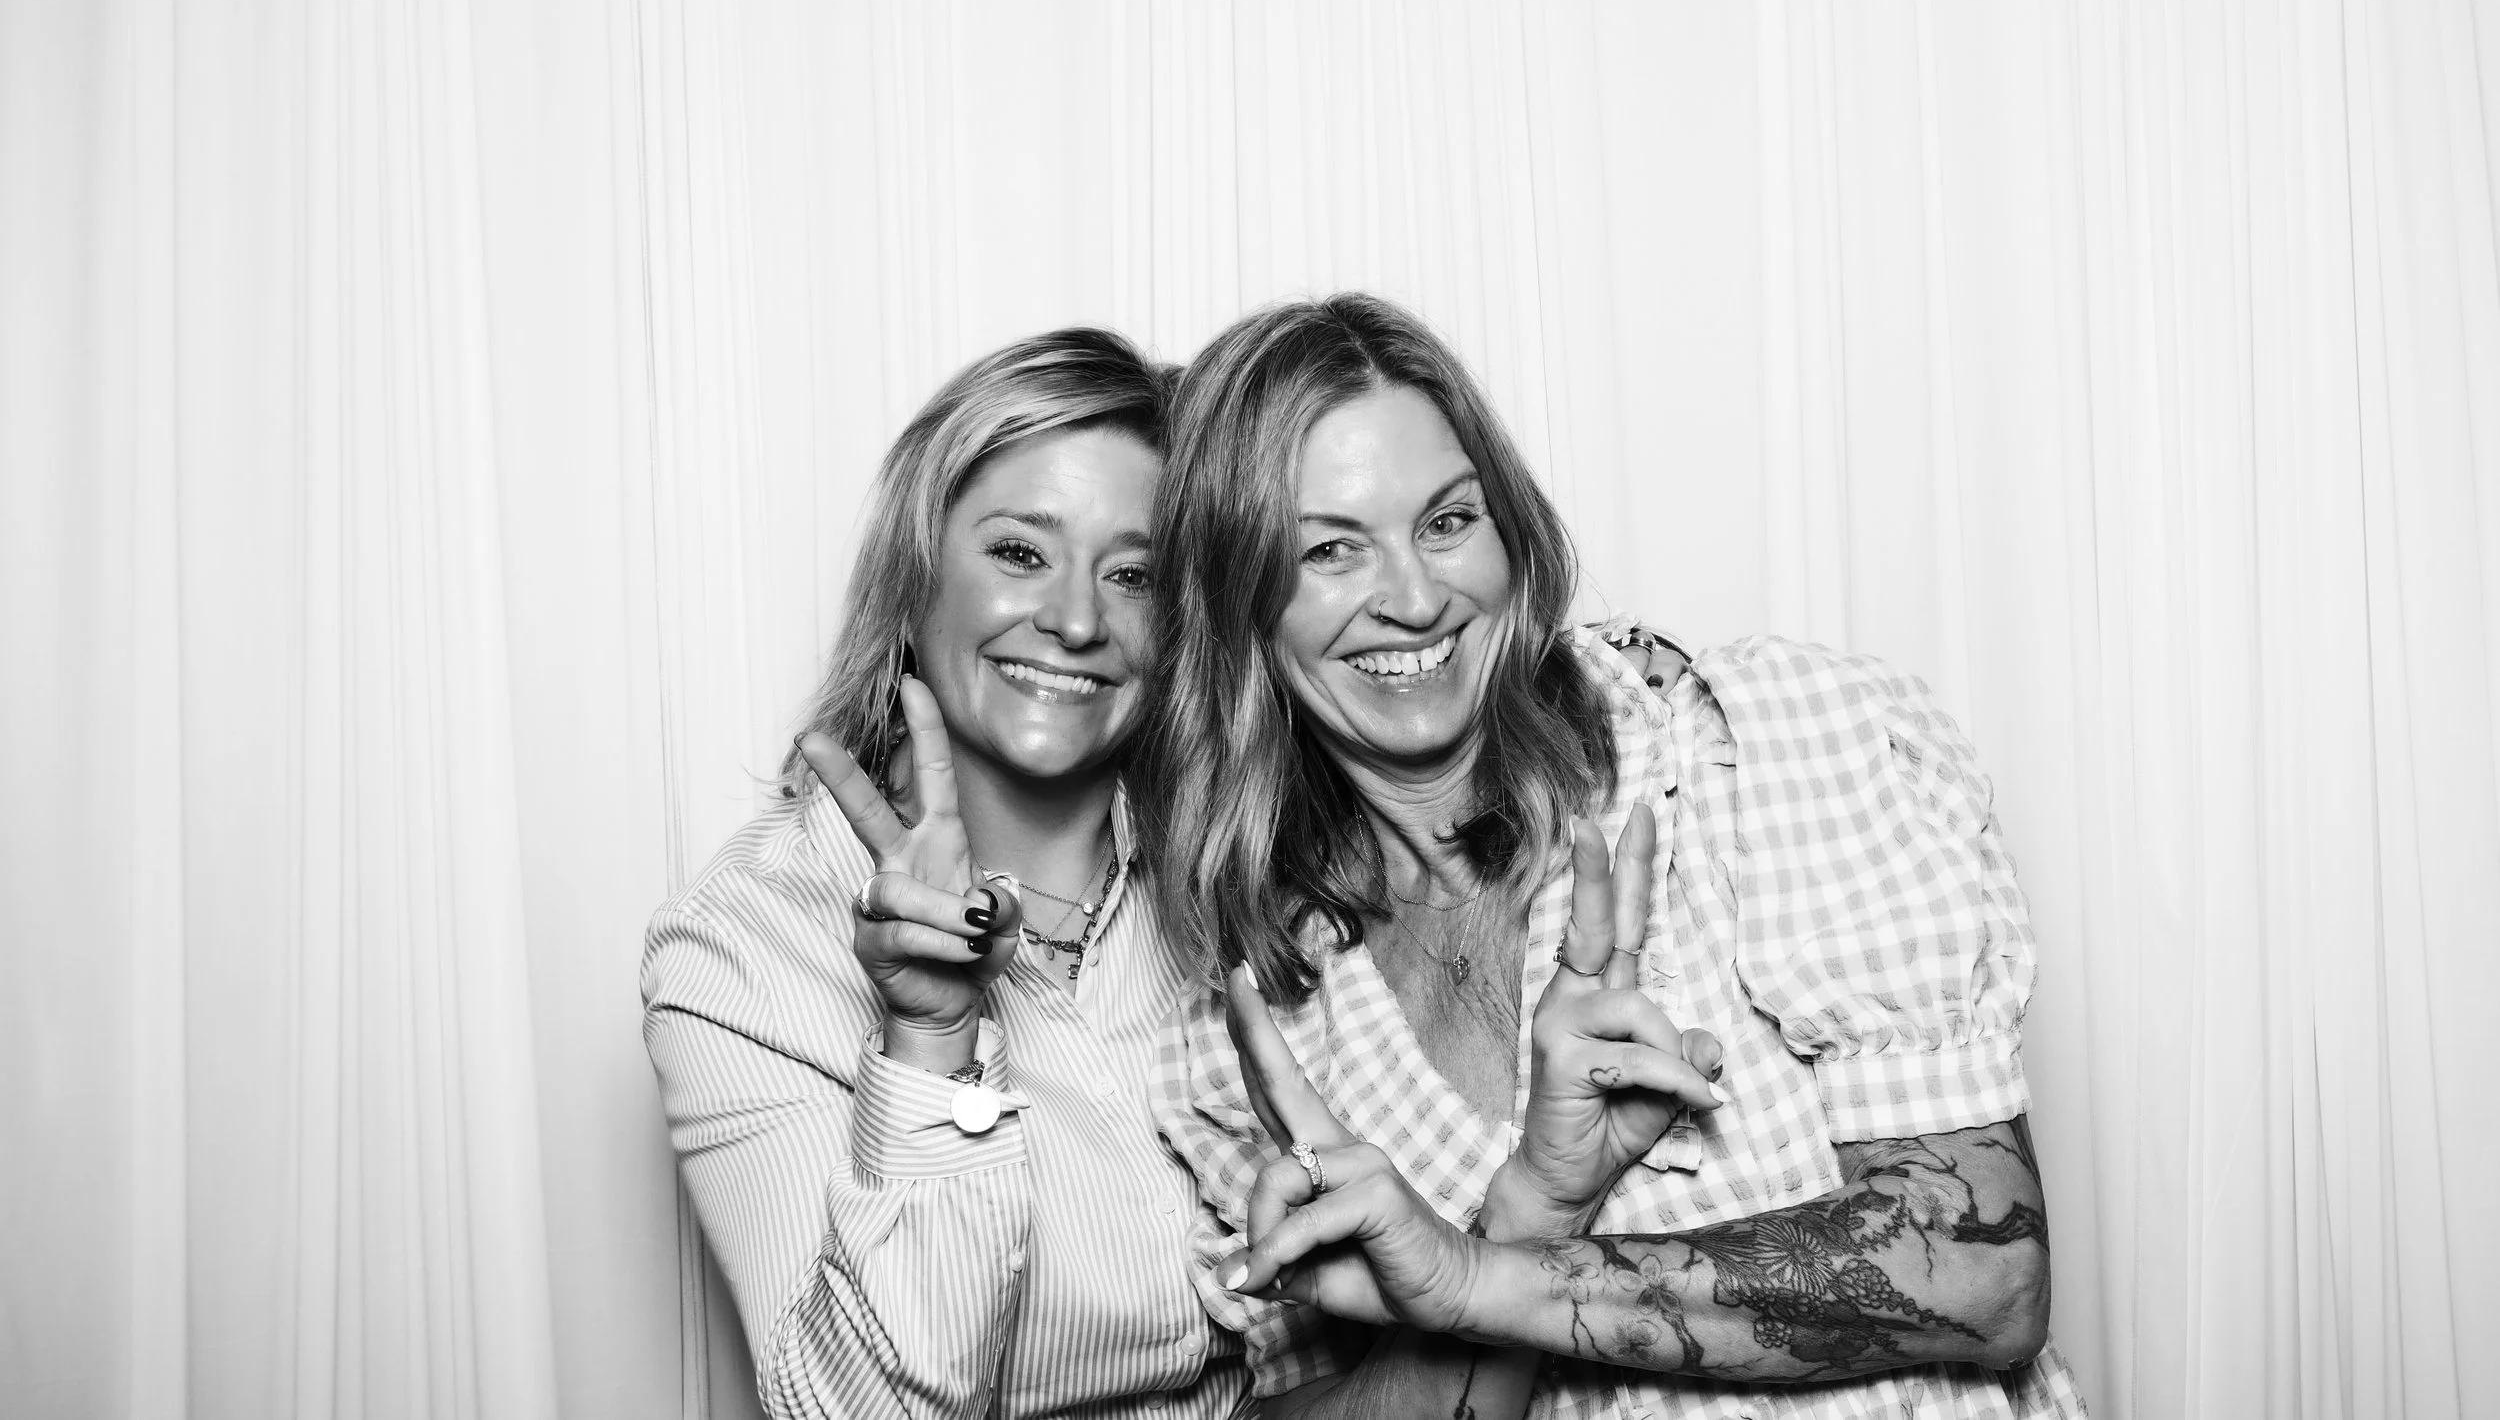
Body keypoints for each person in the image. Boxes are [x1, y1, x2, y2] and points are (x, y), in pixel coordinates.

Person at [1141, 294, 2089, 1418]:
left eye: (1448, 521)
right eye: (1330, 549)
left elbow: (1984, 1273)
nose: (1413, 596)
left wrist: (1471, 1276)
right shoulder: (1243, 1019)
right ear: (1235, 602)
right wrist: (1534, 1200)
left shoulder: (1760, 745)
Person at [640, 329, 1251, 1419]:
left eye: (1134, 573)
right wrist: (929, 1044)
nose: (1074, 618)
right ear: (913, 578)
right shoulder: (745, 944)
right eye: (1020, 552)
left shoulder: (1234, 858)